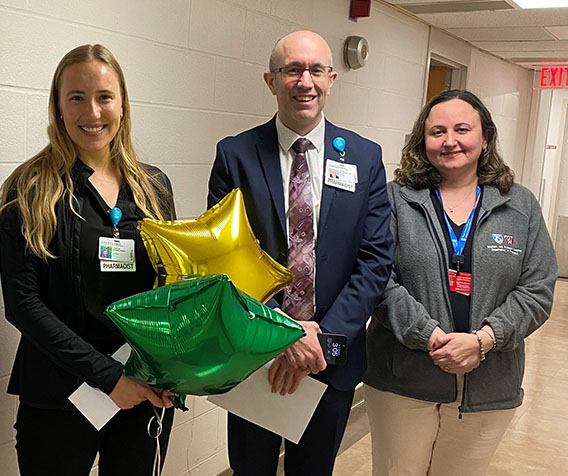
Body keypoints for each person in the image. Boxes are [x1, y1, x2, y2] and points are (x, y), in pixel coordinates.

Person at [207, 30, 394, 476]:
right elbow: (226, 255)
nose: (304, 81)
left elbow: (375, 259)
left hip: (329, 359)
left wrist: (321, 340)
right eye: (292, 70)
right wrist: (282, 334)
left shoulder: (365, 158)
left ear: (332, 79)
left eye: (315, 70)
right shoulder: (235, 155)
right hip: (258, 353)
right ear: (271, 80)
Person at [0, 44, 176, 476]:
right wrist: (108, 376)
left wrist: (174, 367)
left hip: (142, 388)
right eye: (76, 97)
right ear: (58, 107)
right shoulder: (31, 188)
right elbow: (23, 305)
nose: (92, 112)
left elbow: (170, 287)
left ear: (122, 104)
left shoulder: (153, 187)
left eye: (104, 97)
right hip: (60, 395)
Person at [363, 89, 558, 475]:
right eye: (437, 132)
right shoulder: (395, 200)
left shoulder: (519, 205)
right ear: (423, 141)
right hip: (402, 380)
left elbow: (537, 288)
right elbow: (377, 278)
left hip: (488, 385)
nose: (449, 140)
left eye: (462, 129)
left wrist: (484, 339)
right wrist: (428, 336)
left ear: (485, 139)